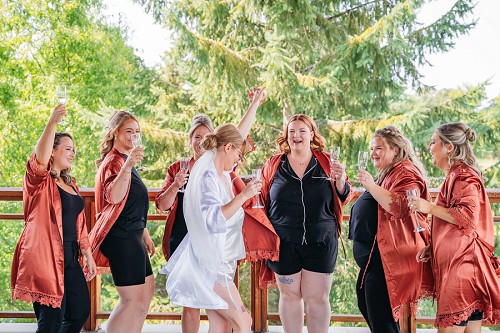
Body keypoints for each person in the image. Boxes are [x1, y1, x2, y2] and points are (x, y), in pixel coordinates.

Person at [156, 87, 278, 332]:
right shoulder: (208, 177)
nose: (240, 159)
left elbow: (239, 133)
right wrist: (244, 195)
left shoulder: (219, 168)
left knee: (221, 324)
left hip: (221, 262)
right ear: (227, 148)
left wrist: (255, 103)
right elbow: (213, 219)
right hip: (209, 265)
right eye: (238, 153)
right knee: (244, 322)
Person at [260, 114, 352, 333]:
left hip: (321, 240)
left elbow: (345, 196)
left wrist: (340, 181)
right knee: (290, 295)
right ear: (286, 136)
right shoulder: (274, 164)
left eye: (302, 131)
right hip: (283, 242)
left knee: (318, 297)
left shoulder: (327, 162)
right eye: (291, 131)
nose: (296, 135)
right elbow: (262, 199)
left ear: (312, 134)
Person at [11, 104, 97, 333]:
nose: (73, 153)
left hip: (70, 257)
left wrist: (87, 254)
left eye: (74, 150)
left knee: (79, 312)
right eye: (67, 148)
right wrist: (52, 122)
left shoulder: (71, 184)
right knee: (50, 322)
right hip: (44, 258)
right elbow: (39, 158)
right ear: (53, 151)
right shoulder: (38, 181)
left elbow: (80, 223)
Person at [411, 122, 500, 332]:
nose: (429, 147)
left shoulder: (463, 175)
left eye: (433, 142)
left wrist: (429, 208)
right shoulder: (456, 174)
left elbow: (468, 218)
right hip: (463, 267)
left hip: (462, 270)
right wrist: (433, 247)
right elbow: (456, 223)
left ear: (449, 147)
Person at [352, 125, 433, 333]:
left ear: (395, 150)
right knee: (369, 305)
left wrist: (370, 185)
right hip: (377, 256)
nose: (372, 153)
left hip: (390, 257)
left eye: (378, 148)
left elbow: (400, 206)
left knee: (382, 319)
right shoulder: (390, 172)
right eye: (371, 149)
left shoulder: (405, 171)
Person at [88, 111, 155, 333]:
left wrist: (144, 233)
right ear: (115, 133)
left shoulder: (125, 160)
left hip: (133, 234)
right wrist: (127, 167)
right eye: (129, 131)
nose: (134, 136)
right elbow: (114, 197)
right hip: (121, 236)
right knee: (130, 299)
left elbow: (131, 202)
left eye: (137, 132)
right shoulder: (114, 161)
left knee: (145, 293)